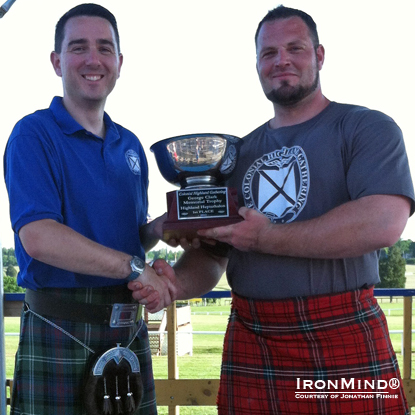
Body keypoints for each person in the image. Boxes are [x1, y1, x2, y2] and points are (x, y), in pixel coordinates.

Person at [131, 5, 415, 414]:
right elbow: (212, 257)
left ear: (319, 55)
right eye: (268, 53)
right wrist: (174, 285)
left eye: (294, 48)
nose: (281, 60)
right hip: (254, 336)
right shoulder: (236, 154)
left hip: (341, 332)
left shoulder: (366, 128)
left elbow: (384, 222)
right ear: (257, 64)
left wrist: (266, 237)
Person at [4, 4, 174, 414]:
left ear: (119, 61)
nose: (93, 59)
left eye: (104, 48)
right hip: (59, 326)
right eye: (78, 47)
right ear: (56, 60)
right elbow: (40, 237)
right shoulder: (33, 133)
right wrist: (136, 268)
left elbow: (131, 237)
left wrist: (168, 226)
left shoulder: (131, 145)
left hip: (126, 329)